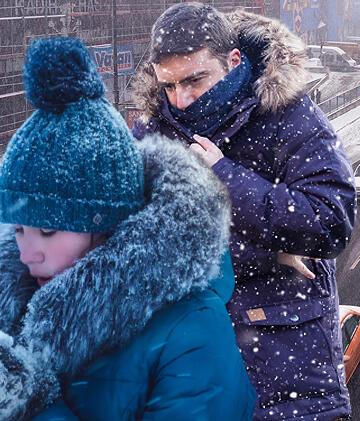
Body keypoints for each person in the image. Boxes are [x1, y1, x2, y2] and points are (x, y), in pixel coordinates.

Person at [0, 37, 255, 419]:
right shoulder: (16, 305)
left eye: (49, 232)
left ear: (106, 224)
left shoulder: (192, 331)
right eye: (19, 230)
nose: (27, 252)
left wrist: (29, 403)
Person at [131, 3, 356, 420]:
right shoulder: (152, 131)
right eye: (169, 86)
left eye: (194, 80)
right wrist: (263, 250)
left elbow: (331, 220)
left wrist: (223, 177)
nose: (181, 100)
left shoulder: (289, 114)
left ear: (233, 61)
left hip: (287, 375)